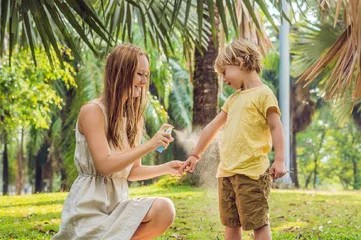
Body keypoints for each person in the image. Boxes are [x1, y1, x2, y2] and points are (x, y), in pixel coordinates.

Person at [53, 44, 182, 240]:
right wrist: (149, 145)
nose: (144, 81)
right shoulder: (93, 111)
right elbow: (104, 165)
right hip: (89, 206)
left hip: (118, 206)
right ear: (121, 72)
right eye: (139, 74)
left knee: (165, 209)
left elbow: (131, 172)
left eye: (146, 75)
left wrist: (168, 168)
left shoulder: (133, 119)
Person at [180, 39, 287, 240]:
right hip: (227, 172)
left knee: (258, 223)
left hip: (252, 172)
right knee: (231, 223)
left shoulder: (264, 94)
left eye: (224, 72)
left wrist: (280, 159)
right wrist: (195, 154)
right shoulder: (233, 99)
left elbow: (275, 126)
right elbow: (212, 127)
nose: (223, 79)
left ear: (240, 62)